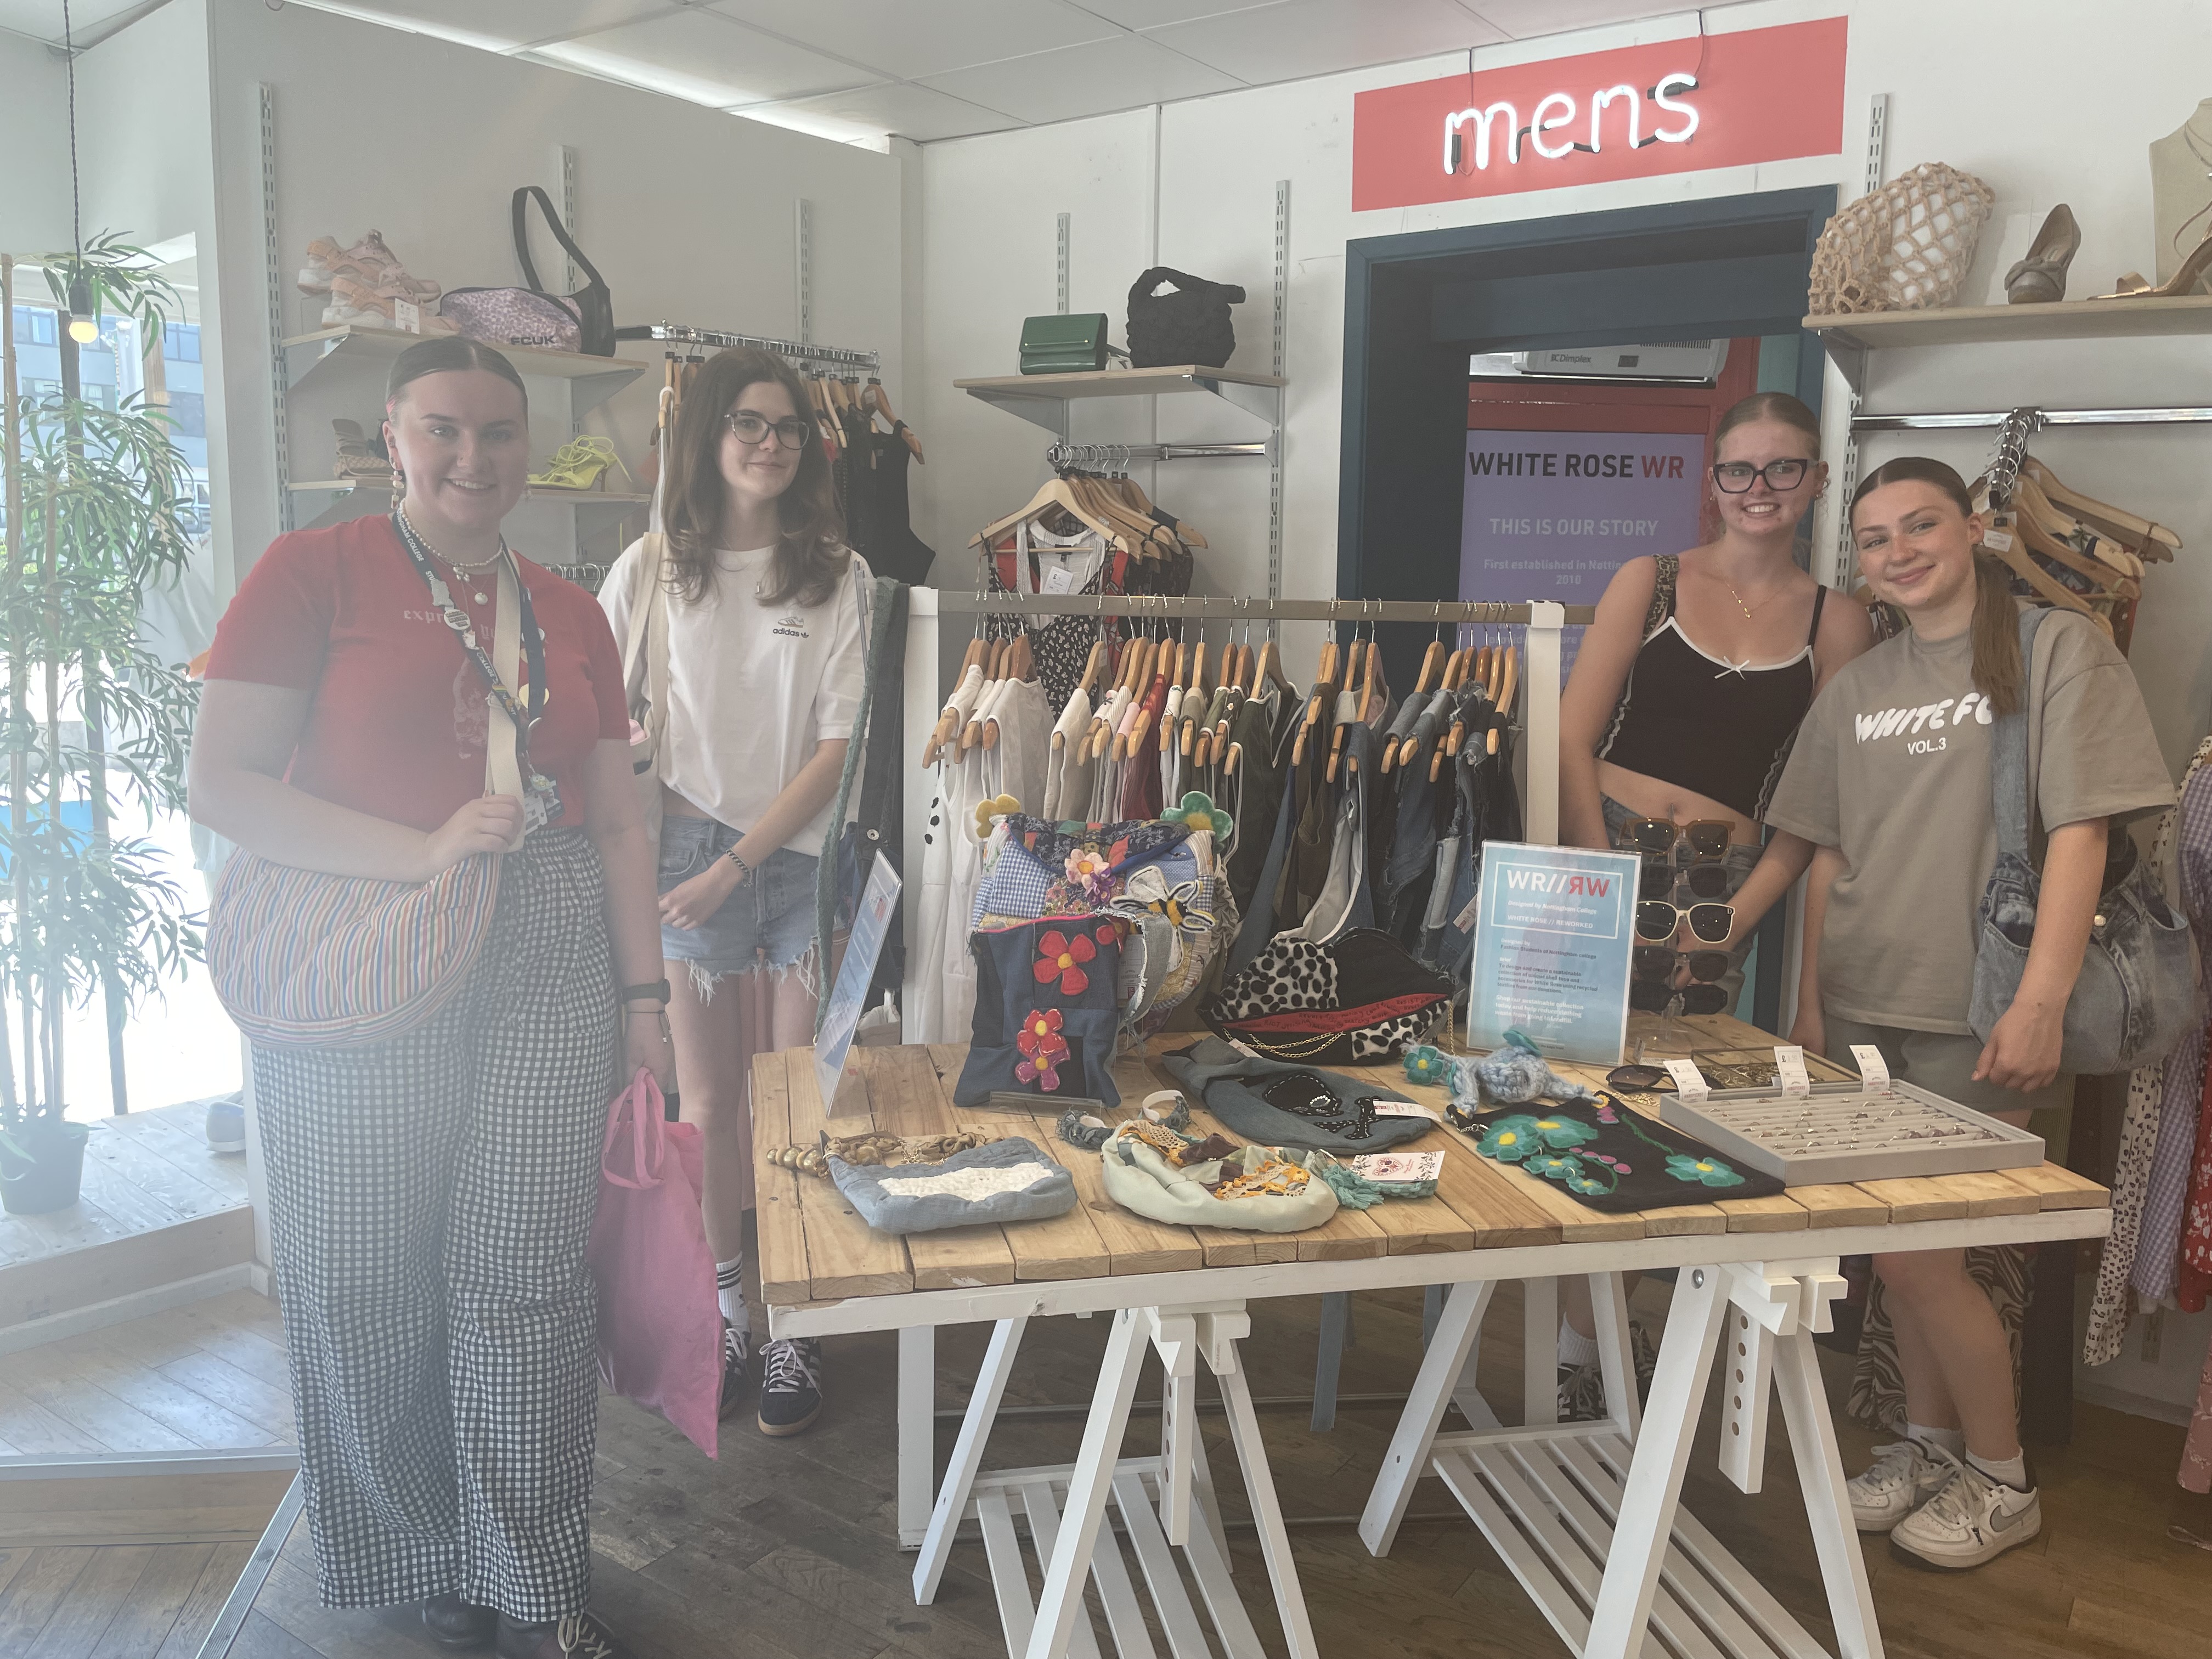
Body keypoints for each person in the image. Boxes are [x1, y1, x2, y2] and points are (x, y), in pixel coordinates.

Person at [191, 337, 666, 1657]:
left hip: (549, 943)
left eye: (500, 433)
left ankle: (531, 1578)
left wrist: (647, 999)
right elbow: (224, 787)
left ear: (529, 444)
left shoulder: (572, 608)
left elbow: (619, 822)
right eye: (444, 430)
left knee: (525, 1273)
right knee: (359, 1270)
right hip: (361, 947)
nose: (474, 459)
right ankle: (414, 1558)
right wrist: (419, 857)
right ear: (391, 434)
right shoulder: (312, 572)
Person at [1722, 456, 2172, 1568]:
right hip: (1867, 1000)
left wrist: (2040, 1000)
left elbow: (2083, 829)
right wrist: (1807, 1003)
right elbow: (1826, 854)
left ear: (1973, 527)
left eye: (1920, 525)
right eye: (1875, 538)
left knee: (1925, 1256)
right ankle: (1927, 1446)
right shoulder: (1859, 687)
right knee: (1900, 1252)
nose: (1900, 550)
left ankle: (2002, 1477)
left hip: (1978, 1011)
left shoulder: (2057, 648)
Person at [1552, 391, 1875, 1413]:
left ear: (1817, 481)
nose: (1761, 490)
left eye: (1785, 470)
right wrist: (1599, 884)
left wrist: (1754, 907)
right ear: (1714, 480)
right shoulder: (1647, 581)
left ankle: (1632, 1330)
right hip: (1607, 865)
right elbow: (1570, 743)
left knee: (1677, 1116)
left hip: (1722, 891)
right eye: (1741, 470)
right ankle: (1575, 1351)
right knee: (1580, 1099)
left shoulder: (1840, 617)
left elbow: (1821, 798)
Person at [600, 346, 870, 1439]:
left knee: (798, 1099)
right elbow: (603, 715)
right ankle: (729, 1311)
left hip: (792, 853)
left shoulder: (835, 573)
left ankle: (796, 1317)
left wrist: (734, 865)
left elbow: (837, 747)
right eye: (750, 423)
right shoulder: (653, 567)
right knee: (706, 1105)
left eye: (791, 428)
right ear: (708, 434)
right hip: (679, 847)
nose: (771, 443)